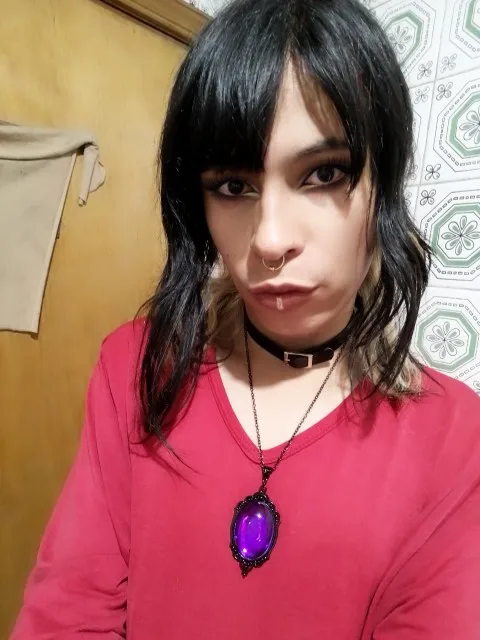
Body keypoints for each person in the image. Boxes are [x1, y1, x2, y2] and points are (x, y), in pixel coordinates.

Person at [11, 0, 480, 637]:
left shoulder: (455, 440)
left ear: (384, 185)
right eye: (233, 186)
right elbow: (67, 612)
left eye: (323, 174)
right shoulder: (136, 366)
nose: (270, 239)